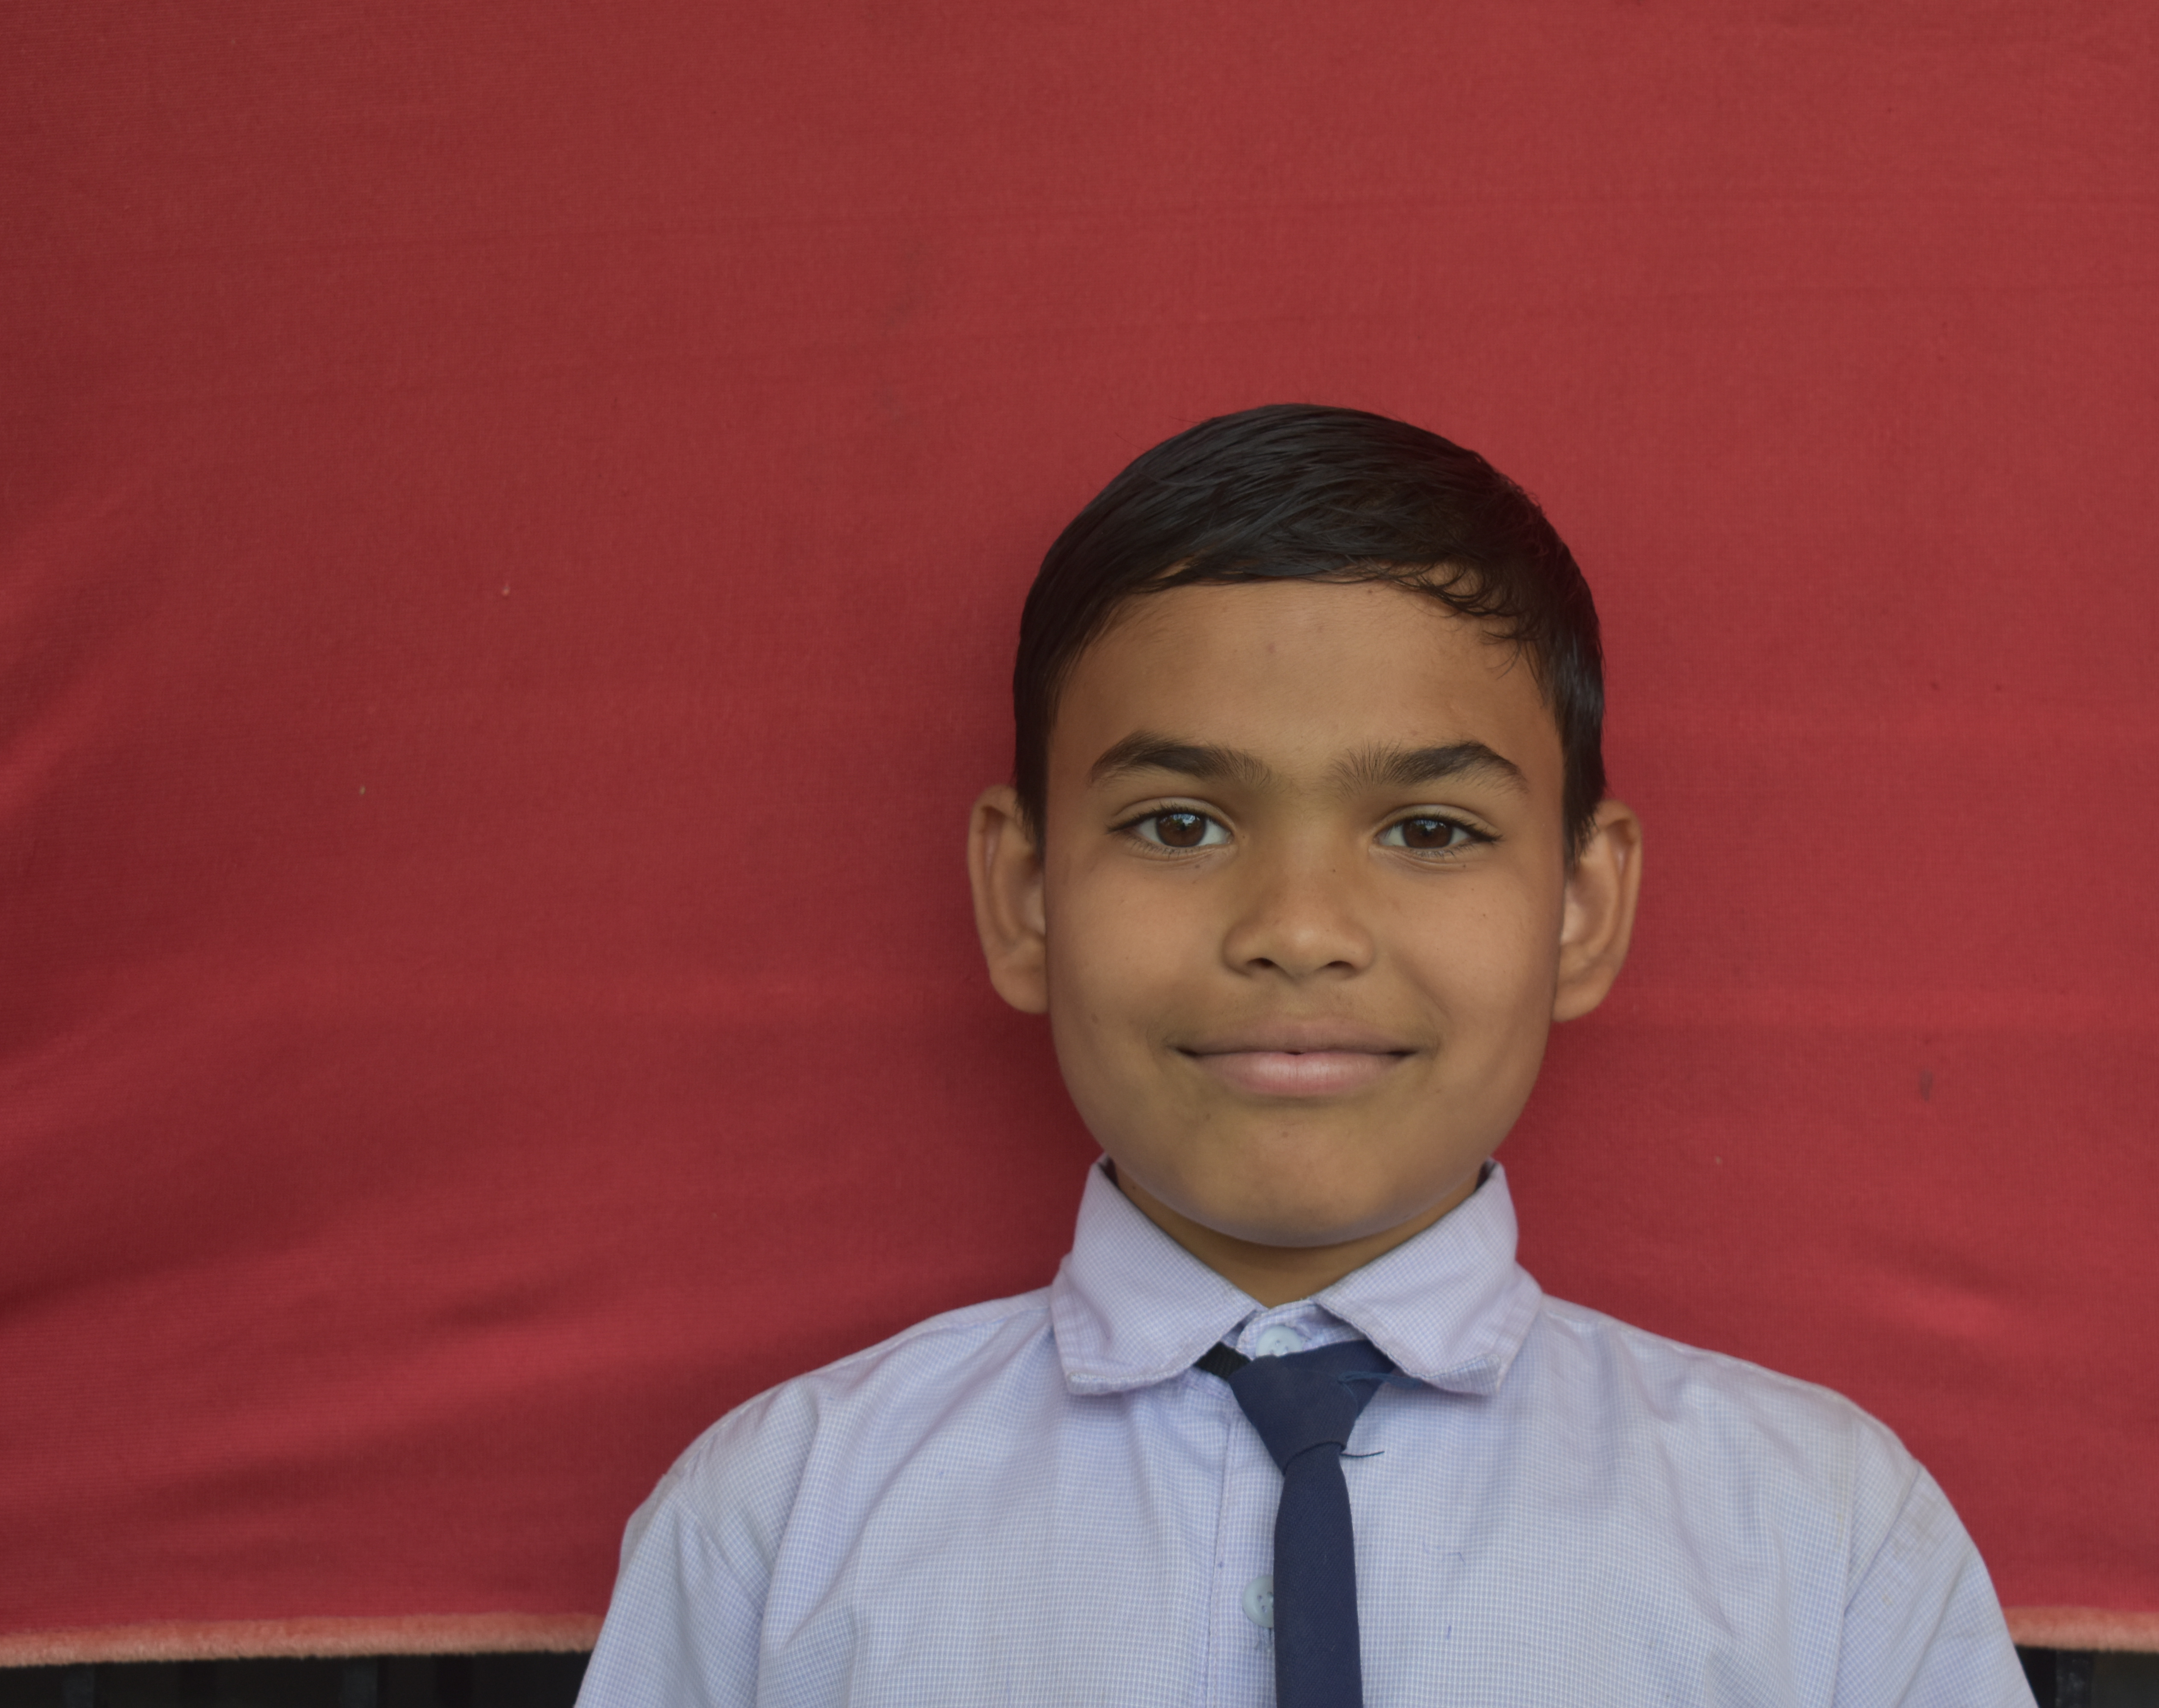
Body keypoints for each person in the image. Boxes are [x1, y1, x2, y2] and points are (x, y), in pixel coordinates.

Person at [576, 404, 2034, 1706]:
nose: (1298, 931)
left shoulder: (1824, 1544)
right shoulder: (779, 1526)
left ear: (1583, 909)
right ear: (1024, 897)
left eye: (1430, 830)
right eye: (1180, 824)